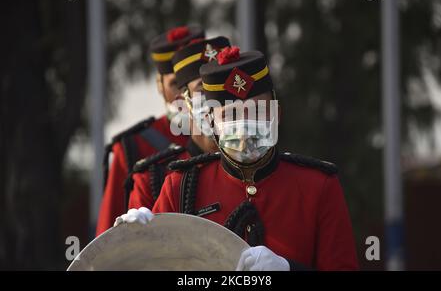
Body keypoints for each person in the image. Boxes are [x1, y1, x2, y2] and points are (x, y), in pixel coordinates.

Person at [115, 47, 358, 271]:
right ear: (211, 123)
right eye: (231, 114)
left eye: (256, 111)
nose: (244, 125)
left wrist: (289, 269)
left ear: (277, 114)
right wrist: (133, 247)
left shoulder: (318, 186)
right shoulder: (180, 187)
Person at [96, 26, 204, 236]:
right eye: (175, 84)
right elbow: (105, 237)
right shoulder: (133, 145)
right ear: (159, 85)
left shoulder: (234, 140)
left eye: (193, 84)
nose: (184, 95)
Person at [126, 36, 230, 210]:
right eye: (203, 90)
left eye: (222, 86)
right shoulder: (155, 180)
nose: (215, 98)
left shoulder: (257, 170)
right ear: (183, 101)